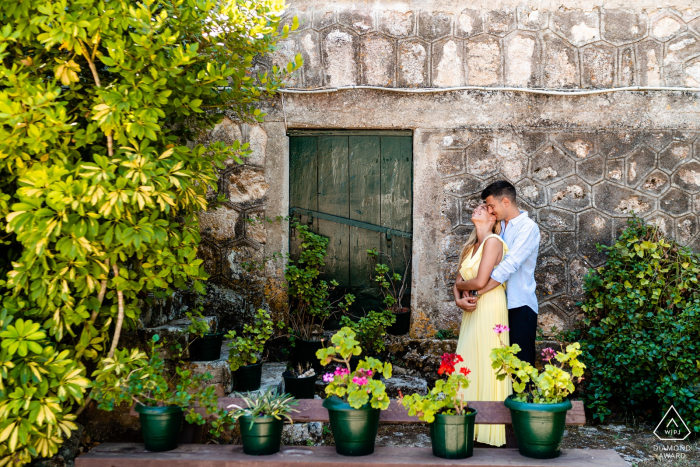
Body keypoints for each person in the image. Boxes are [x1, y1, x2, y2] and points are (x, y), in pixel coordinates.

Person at [457, 180, 541, 366]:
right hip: (496, 306)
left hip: (519, 304)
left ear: (505, 202)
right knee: (497, 366)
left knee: (520, 368)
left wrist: (476, 292)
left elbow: (507, 267)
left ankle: (523, 396)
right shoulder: (497, 227)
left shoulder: (527, 228)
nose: (490, 210)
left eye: (491, 205)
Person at [452, 203, 512, 447]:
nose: (476, 209)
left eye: (482, 207)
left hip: (489, 307)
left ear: (493, 216)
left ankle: (490, 431)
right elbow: (456, 282)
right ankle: (465, 425)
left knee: (488, 361)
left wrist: (466, 288)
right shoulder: (470, 246)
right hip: (471, 308)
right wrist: (459, 300)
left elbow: (479, 280)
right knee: (468, 360)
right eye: (476, 206)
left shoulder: (494, 242)